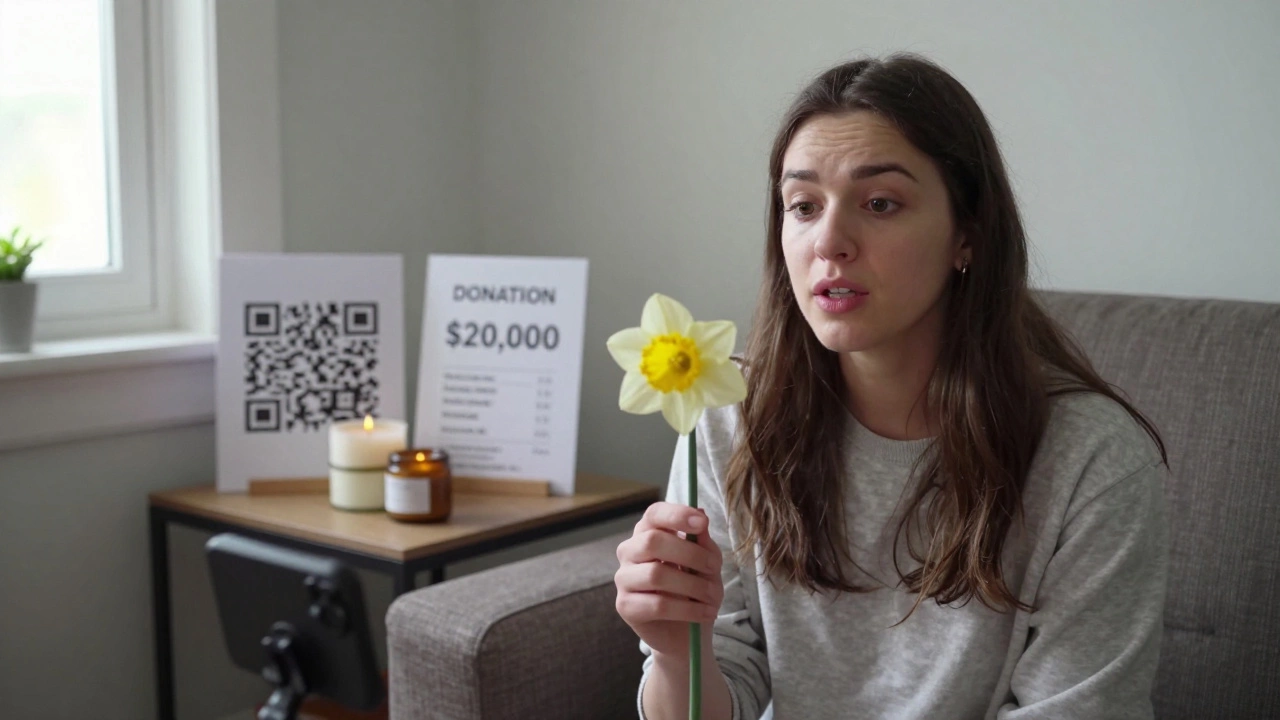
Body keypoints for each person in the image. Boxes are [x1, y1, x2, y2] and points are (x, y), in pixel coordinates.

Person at [614, 53, 1169, 720]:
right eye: (802, 205)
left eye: (880, 203)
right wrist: (680, 653)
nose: (831, 240)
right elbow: (712, 698)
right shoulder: (728, 415)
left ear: (968, 233)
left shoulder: (1090, 461)